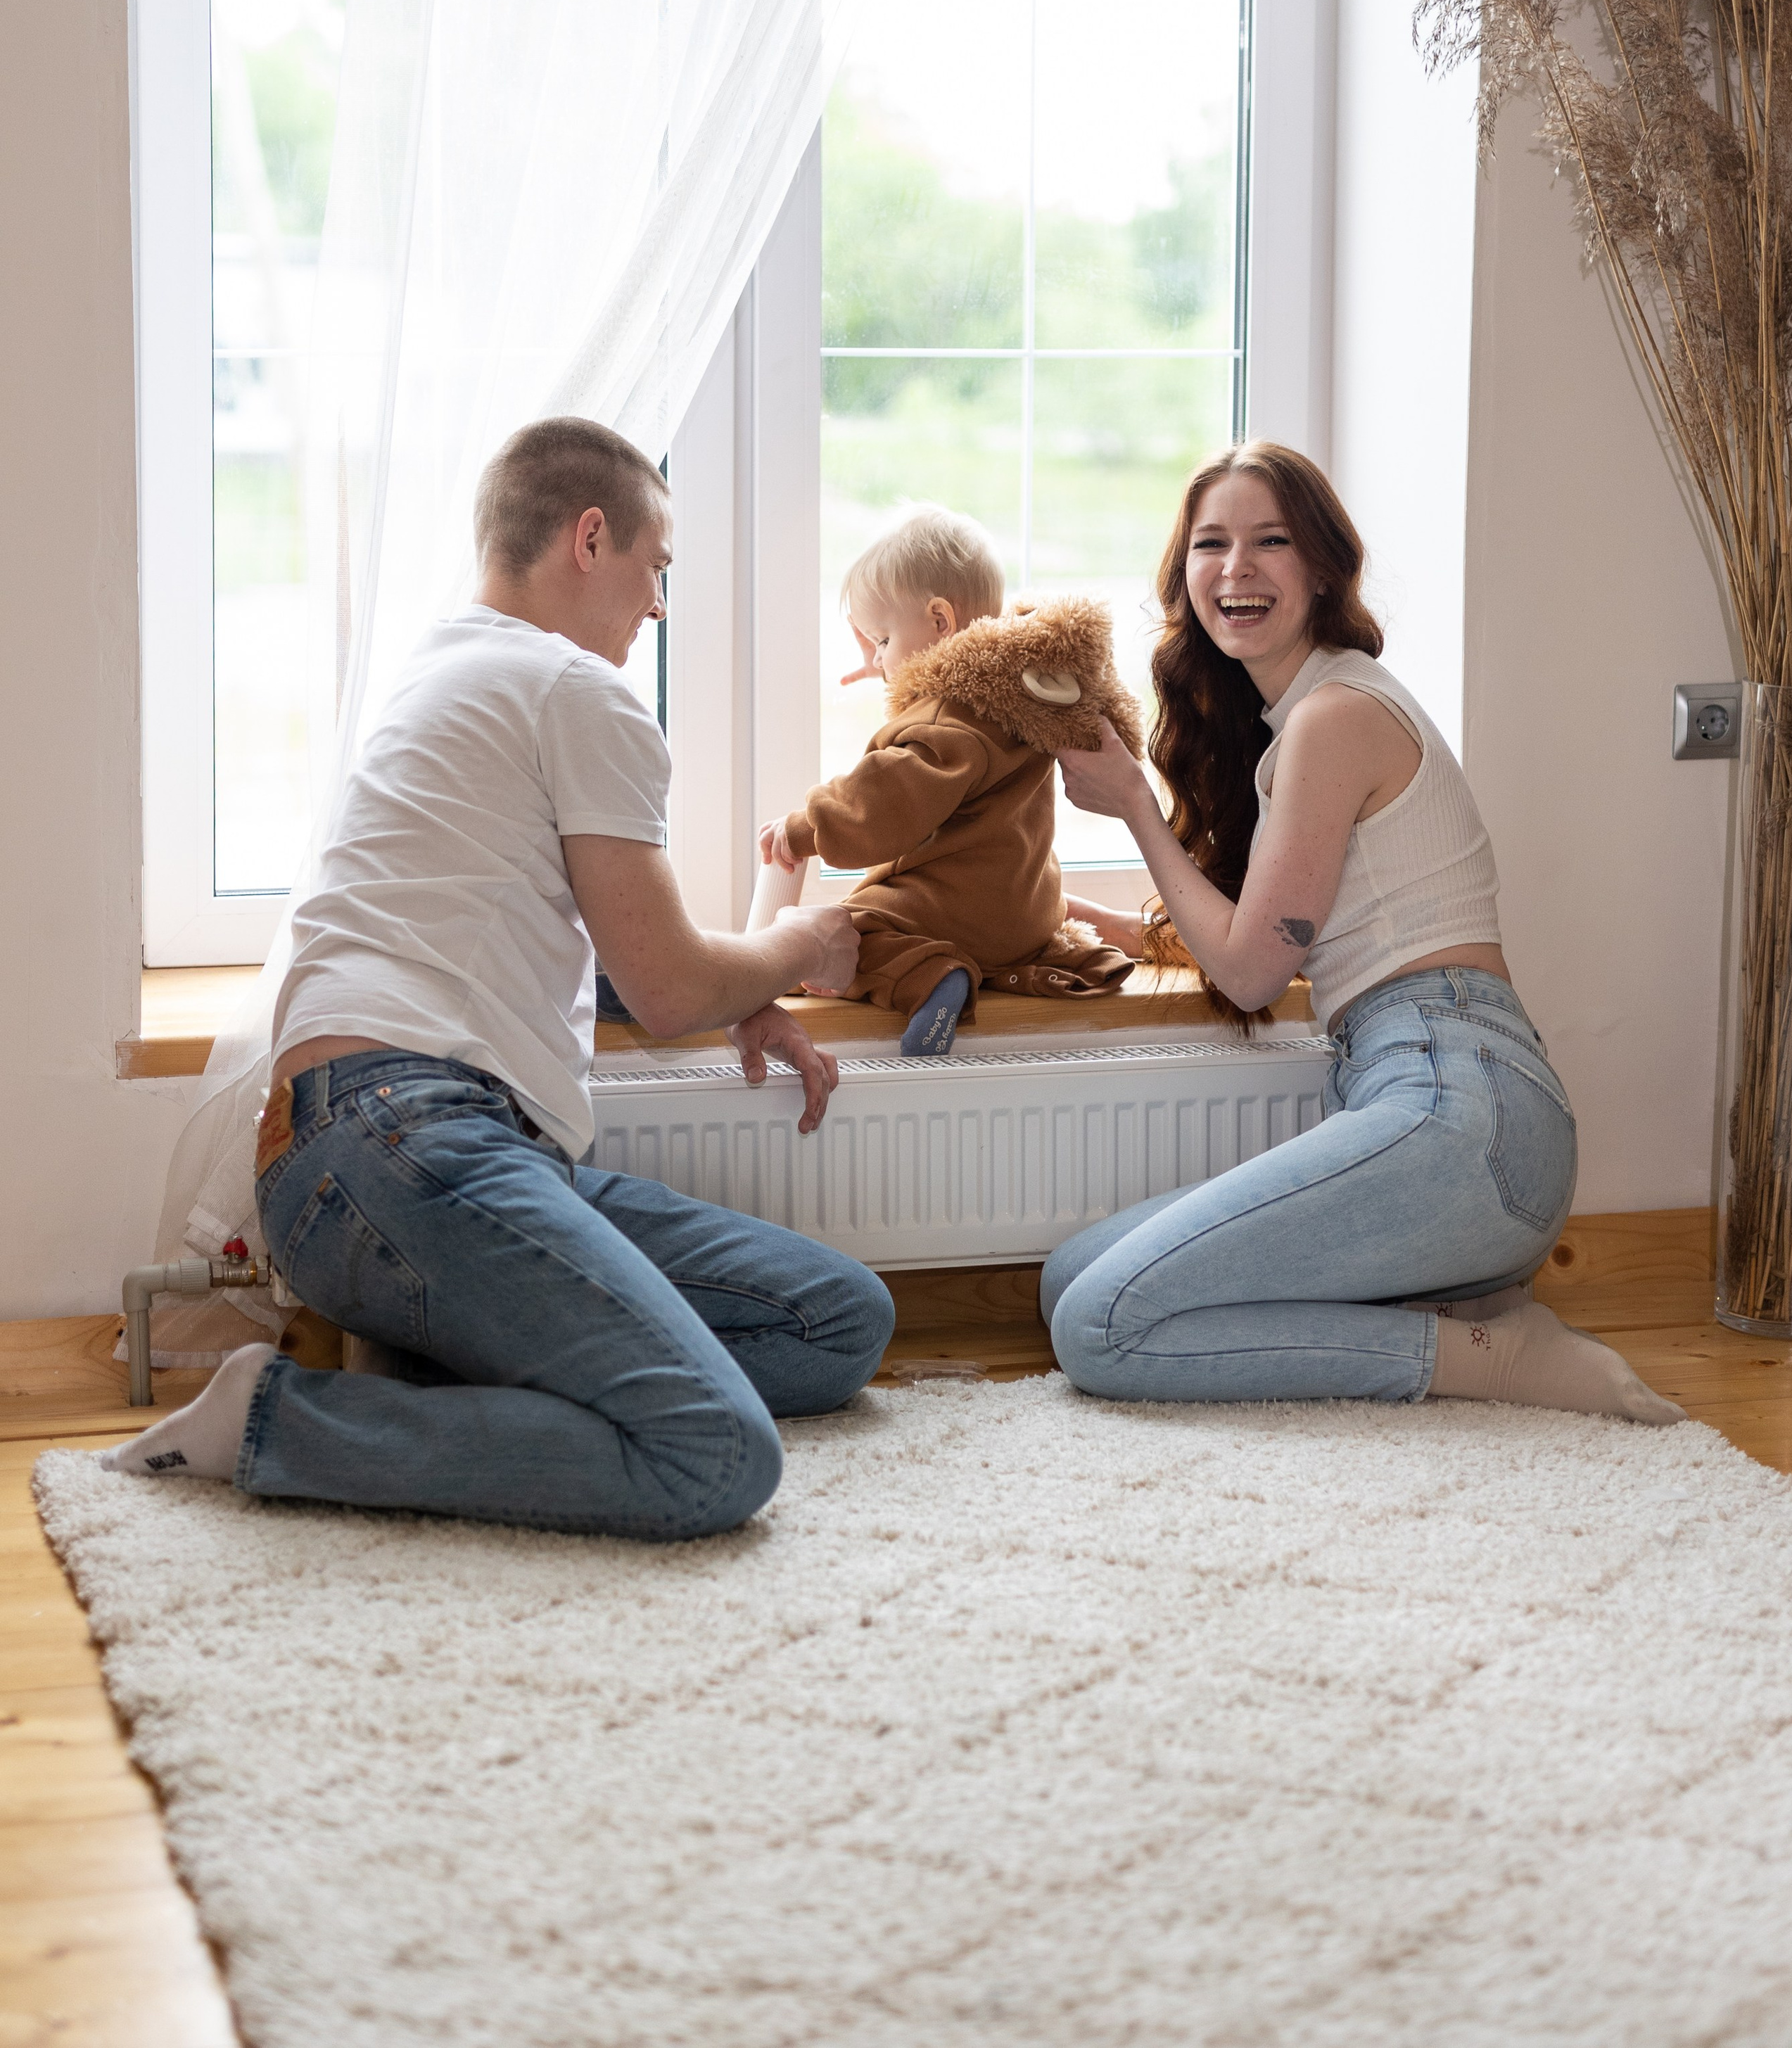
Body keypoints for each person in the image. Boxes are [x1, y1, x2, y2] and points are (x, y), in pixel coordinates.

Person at [103, 418, 896, 1534]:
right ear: (589, 537)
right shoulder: (572, 686)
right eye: (655, 568)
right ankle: (283, 1423)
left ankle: (418, 1373)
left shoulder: (441, 674)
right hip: (412, 1141)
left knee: (835, 1319)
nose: (657, 605)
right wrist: (807, 945)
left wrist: (745, 989)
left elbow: (556, 945)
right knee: (712, 1456)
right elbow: (668, 985)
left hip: (377, 1156)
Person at [1047, 440, 1681, 1425]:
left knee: (1099, 1327)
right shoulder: (1305, 716)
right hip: (1432, 1103)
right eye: (1210, 544)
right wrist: (1127, 928)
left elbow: (1257, 970)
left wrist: (1134, 804)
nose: (1235, 568)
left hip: (1463, 1109)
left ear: (1324, 568)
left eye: (1271, 541)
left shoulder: (1335, 715)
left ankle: (1493, 1359)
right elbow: (1285, 925)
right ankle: (1457, 1302)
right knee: (1071, 1281)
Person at [758, 507, 1138, 1056]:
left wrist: (803, 830)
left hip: (953, 915)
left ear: (940, 622)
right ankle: (957, 968)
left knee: (843, 934)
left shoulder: (943, 720)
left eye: (883, 639)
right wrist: (895, 666)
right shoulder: (1020, 699)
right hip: (1027, 916)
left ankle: (933, 980)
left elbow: (886, 800)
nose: (880, 658)